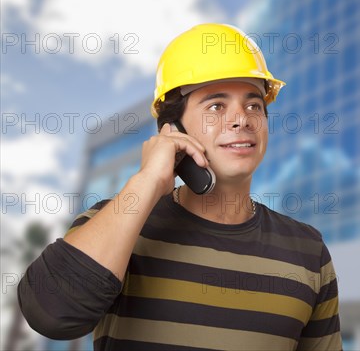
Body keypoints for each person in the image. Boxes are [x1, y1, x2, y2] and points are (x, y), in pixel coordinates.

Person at [18, 23, 342, 350]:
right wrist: (147, 180)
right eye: (216, 105)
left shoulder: (308, 252)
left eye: (254, 105)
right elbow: (50, 314)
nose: (242, 119)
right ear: (172, 130)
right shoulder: (117, 223)